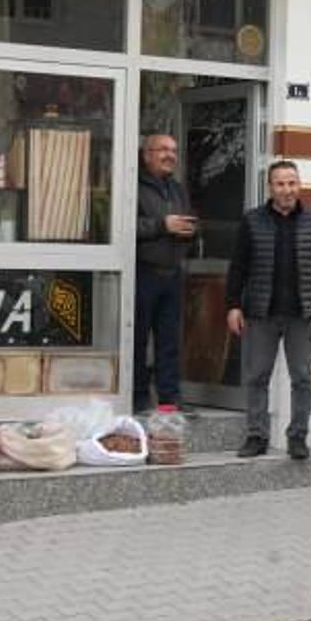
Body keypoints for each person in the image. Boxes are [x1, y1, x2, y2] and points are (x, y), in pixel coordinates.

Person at [225, 161, 311, 460]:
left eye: (292, 183)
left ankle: (298, 437)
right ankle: (256, 436)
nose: (287, 190)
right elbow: (238, 268)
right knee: (256, 377)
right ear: (270, 187)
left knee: (302, 378)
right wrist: (233, 305)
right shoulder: (252, 222)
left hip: (301, 314)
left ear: (298, 186)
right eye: (280, 184)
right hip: (260, 313)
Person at [134, 133, 196, 413]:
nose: (170, 155)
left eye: (173, 150)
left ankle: (170, 400)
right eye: (162, 150)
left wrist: (190, 230)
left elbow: (182, 223)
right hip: (142, 272)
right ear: (146, 154)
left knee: (170, 341)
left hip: (172, 274)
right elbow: (123, 227)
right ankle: (137, 398)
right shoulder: (133, 185)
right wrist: (162, 225)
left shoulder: (177, 189)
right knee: (137, 339)